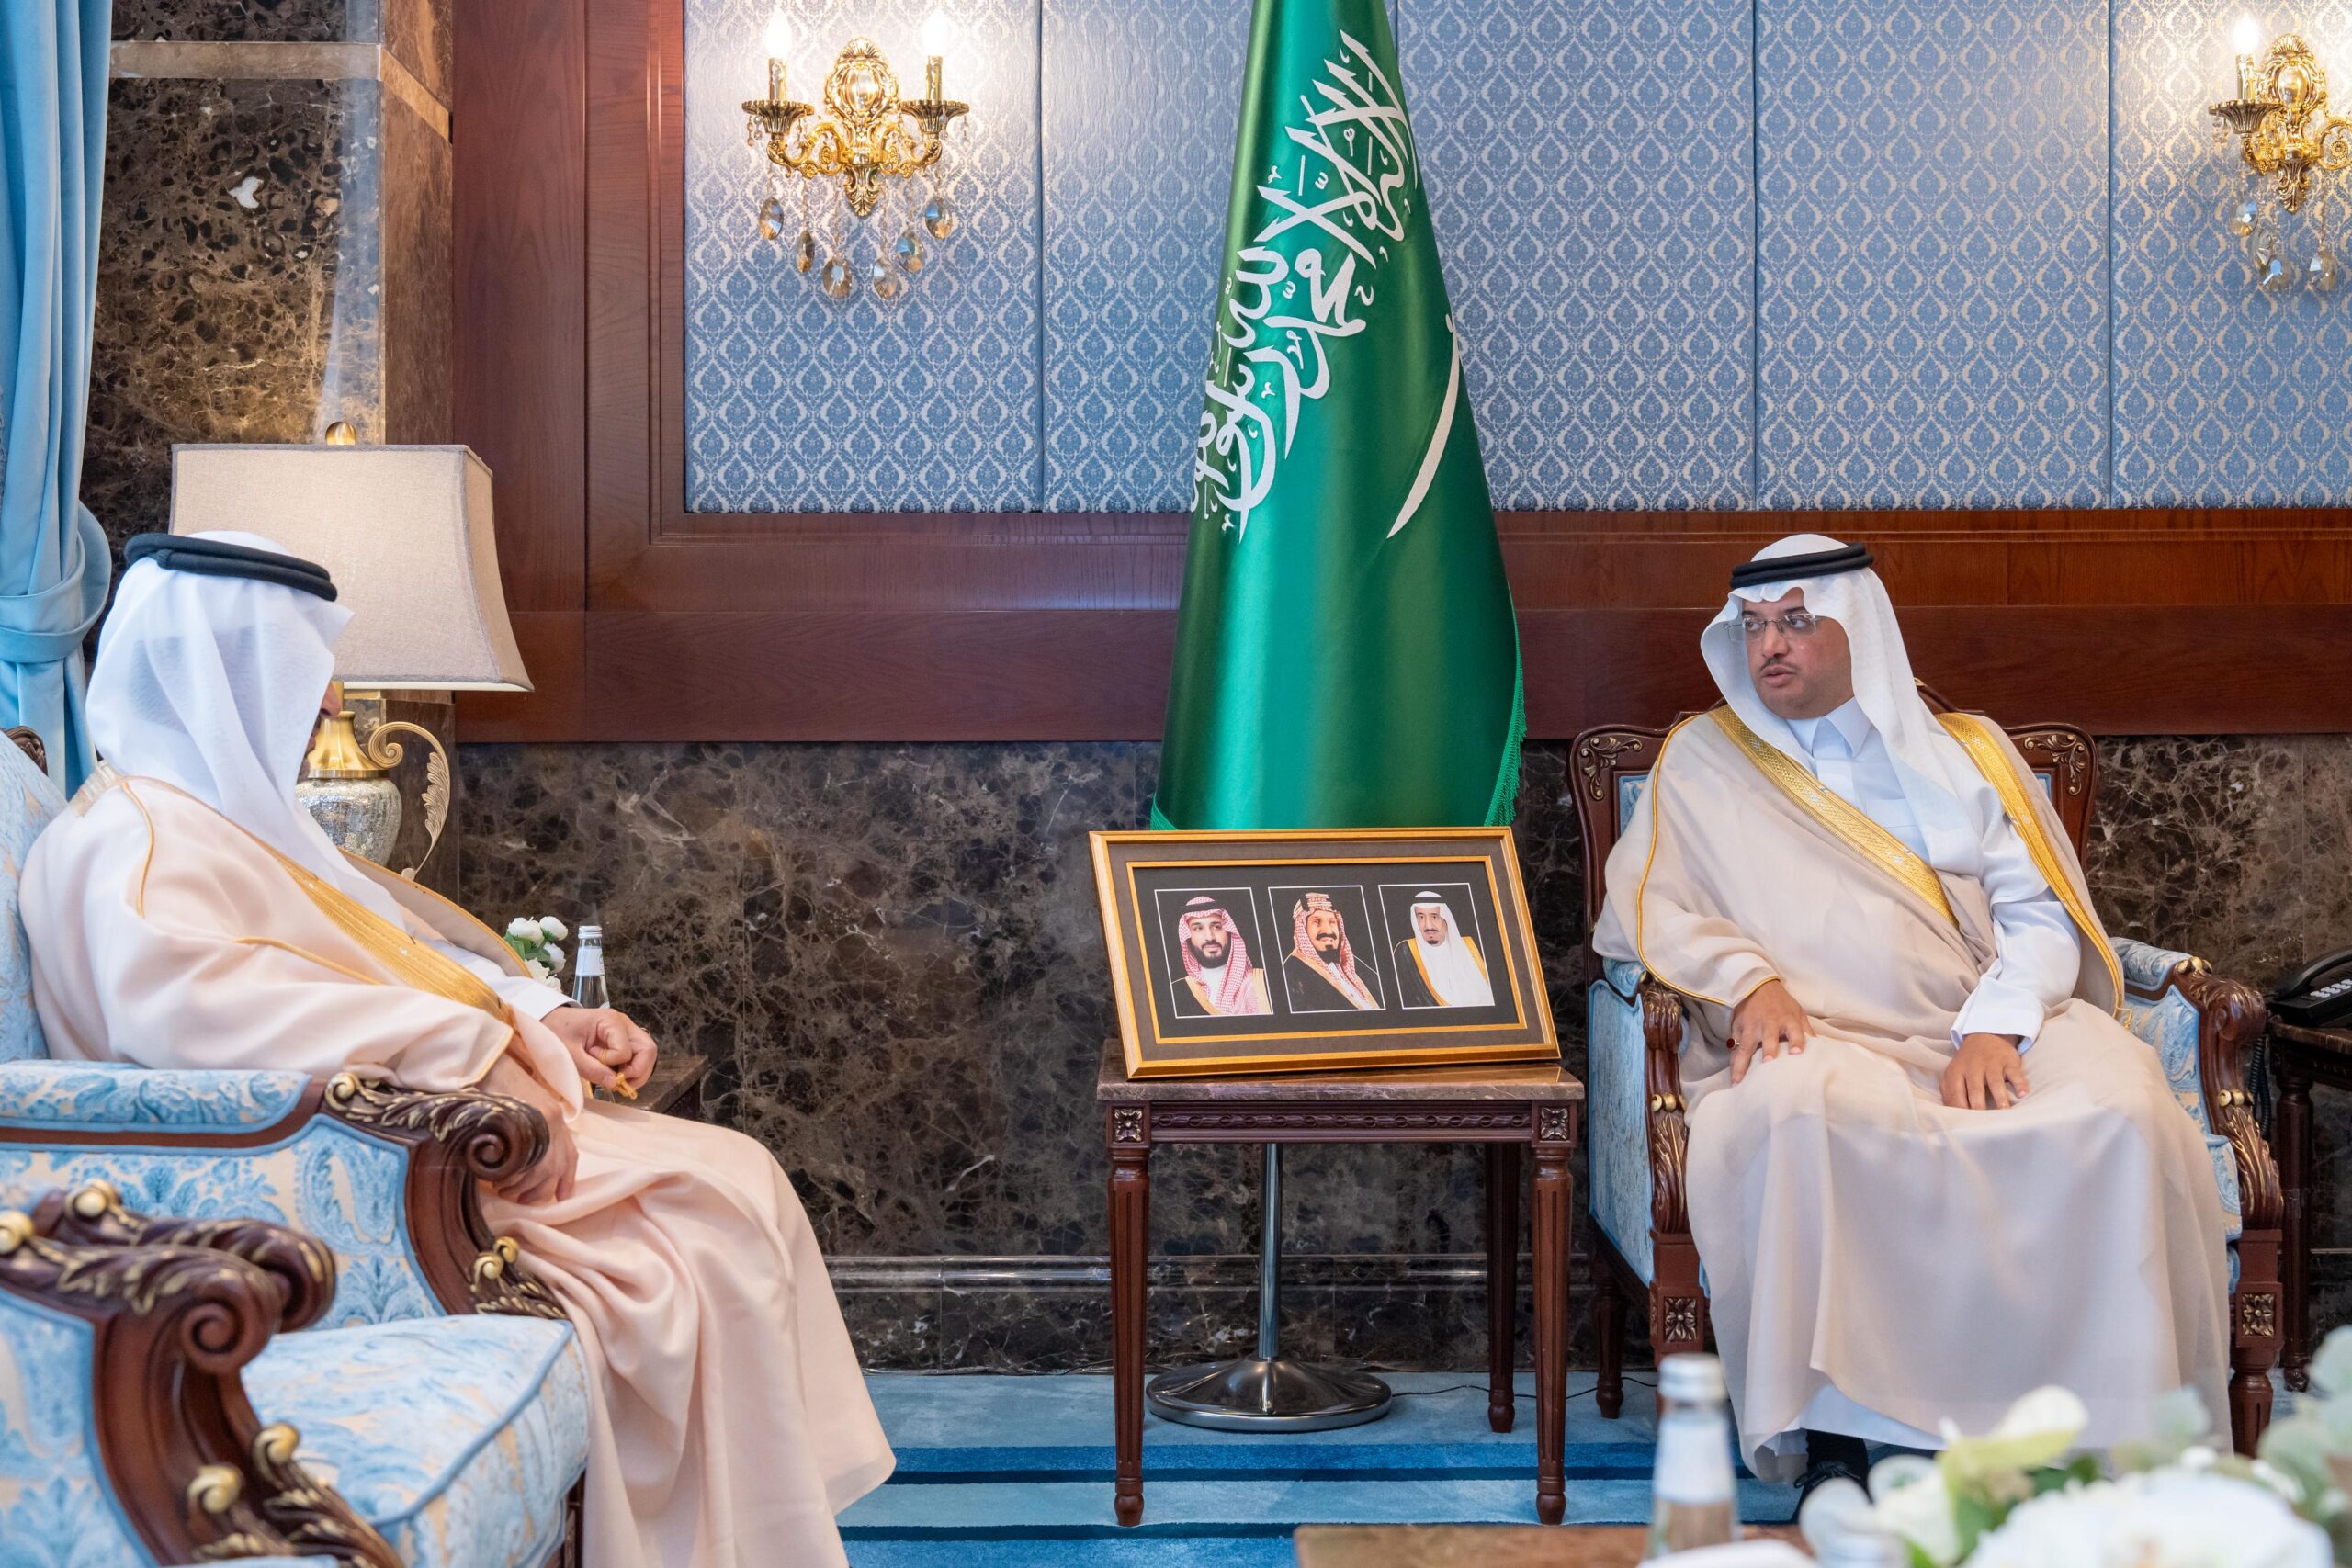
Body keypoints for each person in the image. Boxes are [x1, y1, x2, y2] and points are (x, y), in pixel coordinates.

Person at [21, 533, 893, 1568]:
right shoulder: (134, 844)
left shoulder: (226, 822)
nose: (331, 705)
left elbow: (394, 951)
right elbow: (212, 1022)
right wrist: (474, 1051)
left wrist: (540, 1016)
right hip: (329, 1170)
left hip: (404, 1124)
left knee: (736, 1176)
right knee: (699, 1227)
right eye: (306, 675)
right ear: (219, 676)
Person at [1591, 534, 2230, 1494]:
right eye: (1754, 627)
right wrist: (1746, 979)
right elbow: (1646, 909)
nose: (1770, 645)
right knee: (1802, 1116)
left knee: (2125, 1110)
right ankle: (1837, 1442)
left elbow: (2039, 917)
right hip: (1816, 1033)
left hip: (1980, 1021)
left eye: (1796, 622)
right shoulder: (1702, 761)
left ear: (1859, 630)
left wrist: (1995, 1026)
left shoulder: (1965, 754)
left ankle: (2099, 1442)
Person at [1169, 896, 1272, 1017]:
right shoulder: (1177, 992)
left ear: (1229, 931)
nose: (1210, 937)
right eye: (1198, 928)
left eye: (1217, 927)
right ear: (1187, 936)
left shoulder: (1263, 982)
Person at [1282, 891, 1382, 1011]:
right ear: (1303, 928)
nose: (1328, 930)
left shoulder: (1355, 966)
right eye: (1317, 922)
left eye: (1332, 922)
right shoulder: (1292, 973)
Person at [1391, 893, 1492, 1009]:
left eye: (1434, 916)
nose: (1428, 925)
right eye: (1421, 917)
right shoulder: (1405, 952)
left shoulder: (1472, 947)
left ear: (1446, 918)